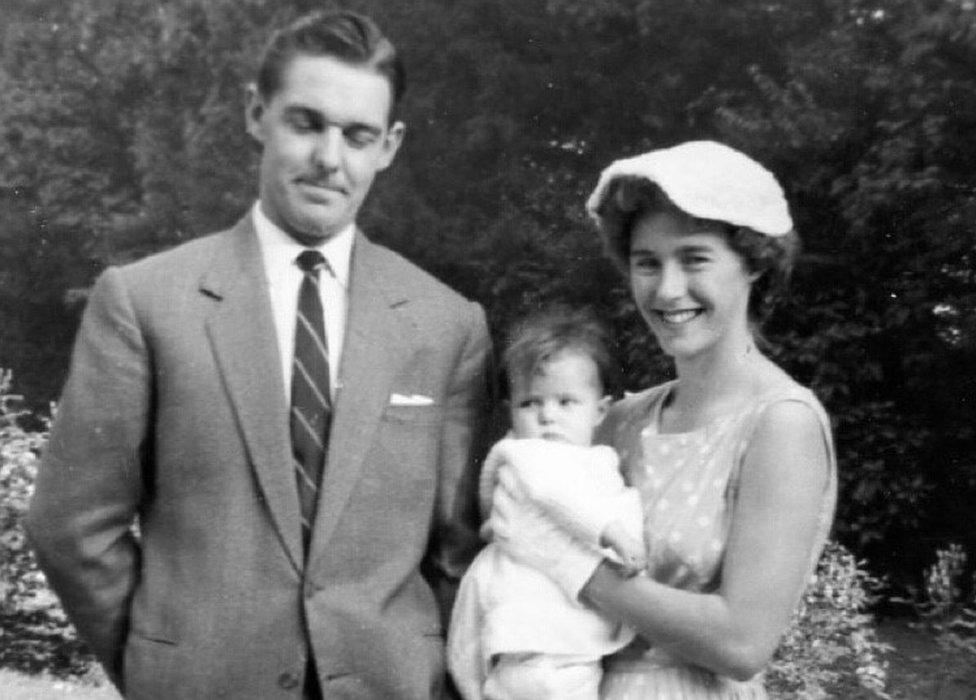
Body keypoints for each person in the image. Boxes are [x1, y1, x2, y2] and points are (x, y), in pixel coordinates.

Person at [26, 10, 491, 700]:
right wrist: (163, 661)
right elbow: (71, 525)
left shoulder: (447, 324)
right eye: (306, 123)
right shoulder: (147, 301)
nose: (330, 159)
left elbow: (458, 550)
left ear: (389, 146)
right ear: (256, 114)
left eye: (357, 135)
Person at [489, 140, 837, 698]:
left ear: (753, 264)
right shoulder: (621, 418)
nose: (668, 289)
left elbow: (742, 644)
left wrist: (571, 564)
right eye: (647, 263)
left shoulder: (780, 423)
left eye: (694, 258)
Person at [448, 308, 645, 700]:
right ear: (510, 411)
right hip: (532, 634)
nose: (547, 416)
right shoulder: (533, 456)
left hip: (567, 640)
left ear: (600, 411)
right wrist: (610, 531)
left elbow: (623, 500)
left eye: (566, 402)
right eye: (529, 403)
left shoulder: (598, 460)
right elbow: (552, 494)